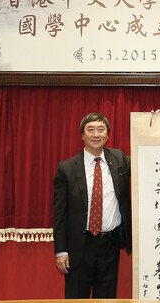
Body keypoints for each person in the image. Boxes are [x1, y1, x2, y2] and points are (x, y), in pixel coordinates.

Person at [53, 112, 131, 299]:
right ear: (82, 135)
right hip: (79, 246)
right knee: (76, 297)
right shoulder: (67, 168)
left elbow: (147, 164)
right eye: (91, 130)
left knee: (106, 297)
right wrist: (61, 251)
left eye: (100, 129)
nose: (96, 134)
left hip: (110, 244)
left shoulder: (119, 159)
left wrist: (153, 127)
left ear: (107, 135)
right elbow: (60, 214)